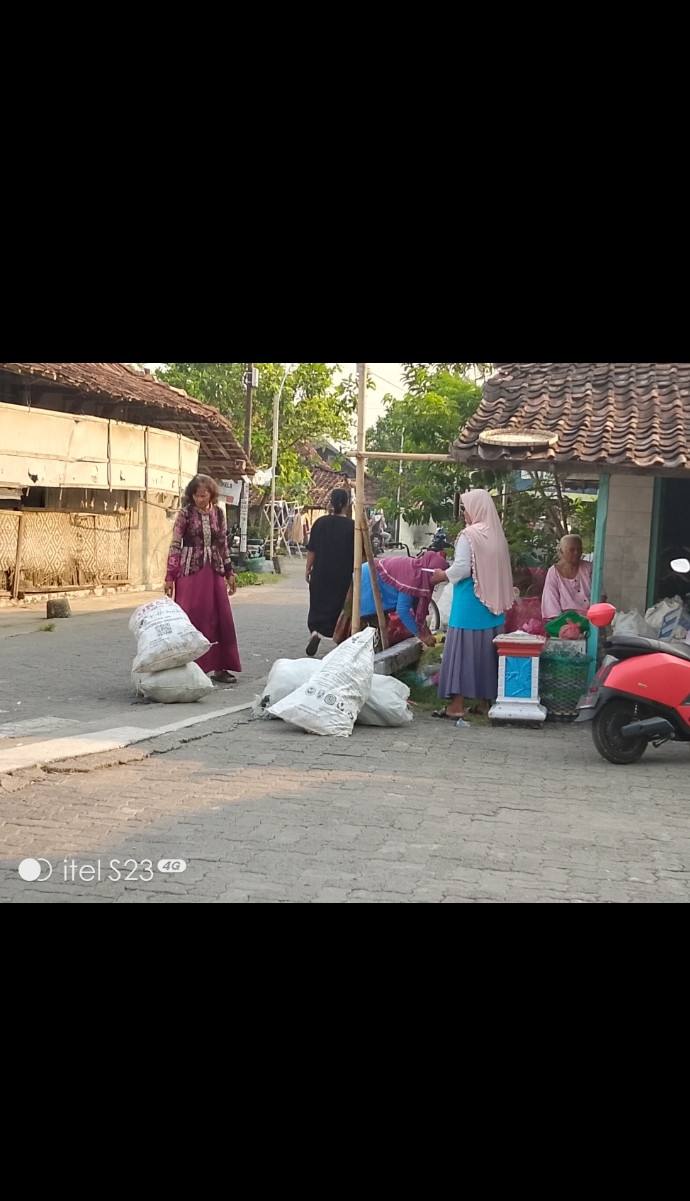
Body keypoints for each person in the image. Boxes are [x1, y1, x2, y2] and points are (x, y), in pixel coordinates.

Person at [431, 489, 515, 721]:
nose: (465, 514)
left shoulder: (470, 535)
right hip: (492, 608)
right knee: (487, 655)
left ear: (476, 509)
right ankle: (484, 704)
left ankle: (457, 705)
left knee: (462, 654)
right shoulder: (497, 535)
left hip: (469, 605)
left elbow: (462, 568)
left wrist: (441, 575)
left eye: (466, 508)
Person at [164, 474, 241, 684]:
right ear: (191, 495)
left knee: (219, 617)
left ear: (211, 495)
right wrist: (170, 576)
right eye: (196, 496)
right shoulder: (185, 514)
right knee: (192, 617)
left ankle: (219, 667)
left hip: (214, 569)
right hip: (190, 571)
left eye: (204, 495)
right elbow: (176, 544)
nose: (200, 499)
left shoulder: (218, 513)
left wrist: (229, 572)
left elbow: (222, 544)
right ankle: (189, 668)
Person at [359, 552, 447, 649]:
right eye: (438, 580)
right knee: (369, 633)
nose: (437, 584)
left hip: (371, 577)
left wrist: (425, 630)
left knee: (379, 630)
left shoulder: (420, 574)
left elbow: (417, 607)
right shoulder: (412, 577)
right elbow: (402, 610)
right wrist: (421, 636)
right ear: (431, 574)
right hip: (367, 581)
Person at [305, 487, 355, 656]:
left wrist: (307, 569)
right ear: (348, 504)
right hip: (343, 576)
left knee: (318, 605)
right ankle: (339, 641)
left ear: (331, 503)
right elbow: (360, 555)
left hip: (321, 573)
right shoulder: (352, 527)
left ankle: (315, 633)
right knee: (339, 607)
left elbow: (312, 550)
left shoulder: (320, 523)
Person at [541, 534, 596, 621]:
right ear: (562, 551)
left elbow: (601, 594)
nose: (576, 552)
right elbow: (551, 602)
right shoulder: (553, 572)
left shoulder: (589, 568)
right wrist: (564, 623)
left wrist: (595, 614)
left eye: (579, 549)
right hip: (564, 619)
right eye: (572, 549)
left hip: (590, 617)